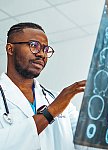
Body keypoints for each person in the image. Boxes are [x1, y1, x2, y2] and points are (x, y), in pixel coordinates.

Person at [0, 22, 86, 150]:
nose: (42, 54)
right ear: (10, 49)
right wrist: (50, 112)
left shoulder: (59, 101)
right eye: (34, 45)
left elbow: (89, 143)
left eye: (45, 49)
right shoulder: (58, 102)